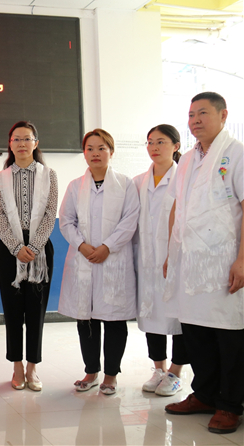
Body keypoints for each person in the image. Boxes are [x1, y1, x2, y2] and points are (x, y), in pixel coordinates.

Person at [163, 92, 244, 434]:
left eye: (203, 113)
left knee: (229, 336)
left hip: (224, 262)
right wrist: (171, 254)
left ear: (223, 115)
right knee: (196, 333)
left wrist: (242, 260)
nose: (195, 120)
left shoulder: (236, 154)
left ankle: (230, 404)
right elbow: (177, 206)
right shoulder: (186, 159)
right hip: (190, 262)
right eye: (191, 114)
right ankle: (206, 394)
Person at [58, 129, 139, 395]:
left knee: (114, 320)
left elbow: (130, 220)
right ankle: (91, 371)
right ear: (84, 153)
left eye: (101, 148)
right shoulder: (75, 186)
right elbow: (66, 221)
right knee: (86, 319)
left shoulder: (126, 184)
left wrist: (107, 247)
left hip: (114, 260)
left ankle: (111, 375)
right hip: (83, 259)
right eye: (90, 148)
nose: (95, 153)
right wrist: (81, 245)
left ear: (111, 152)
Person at [0, 121, 57, 392]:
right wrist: (16, 247)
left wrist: (36, 245)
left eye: (26, 138)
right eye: (16, 139)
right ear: (10, 144)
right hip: (9, 252)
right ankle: (17, 365)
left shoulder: (49, 175)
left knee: (36, 312)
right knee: (12, 311)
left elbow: (50, 212)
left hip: (40, 252)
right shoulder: (1, 177)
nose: (21, 143)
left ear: (35, 143)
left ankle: (32, 367)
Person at [133, 124, 188, 397]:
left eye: (161, 142)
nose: (154, 147)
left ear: (176, 146)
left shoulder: (184, 179)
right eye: (150, 142)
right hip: (146, 260)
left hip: (176, 260)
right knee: (151, 313)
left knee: (179, 317)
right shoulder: (138, 182)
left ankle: (175, 373)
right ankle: (158, 369)